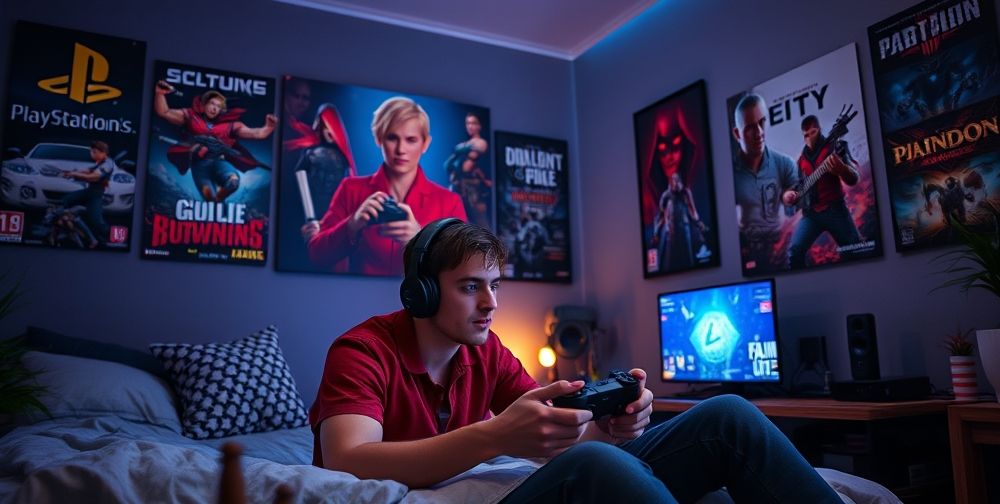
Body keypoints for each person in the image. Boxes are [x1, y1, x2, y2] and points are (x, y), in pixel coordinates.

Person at [310, 218, 843, 503]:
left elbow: (555, 443)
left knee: (728, 414)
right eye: (471, 287)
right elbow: (348, 459)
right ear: (421, 294)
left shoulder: (486, 352)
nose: (491, 305)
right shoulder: (362, 351)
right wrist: (496, 437)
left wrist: (614, 426)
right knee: (595, 465)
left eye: (495, 286)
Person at [302, 96, 467, 276]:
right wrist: (352, 225)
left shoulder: (450, 201)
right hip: (356, 298)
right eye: (392, 138)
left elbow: (463, 270)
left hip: (422, 304)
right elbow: (316, 254)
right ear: (379, 138)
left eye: (411, 140)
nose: (400, 149)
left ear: (425, 143)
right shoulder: (351, 189)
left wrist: (420, 241)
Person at [153, 81, 277, 202]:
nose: (214, 108)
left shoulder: (230, 125)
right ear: (204, 104)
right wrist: (160, 94)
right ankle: (216, 201)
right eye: (212, 103)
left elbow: (257, 134)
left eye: (218, 106)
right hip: (199, 165)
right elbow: (164, 112)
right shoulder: (192, 116)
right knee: (210, 200)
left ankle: (220, 197)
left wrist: (268, 127)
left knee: (233, 182)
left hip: (219, 161)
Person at [731, 93, 799, 273]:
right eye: (750, 127)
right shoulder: (729, 176)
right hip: (745, 262)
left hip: (782, 256)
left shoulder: (785, 164)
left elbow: (800, 210)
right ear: (737, 133)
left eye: (762, 122)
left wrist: (790, 200)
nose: (759, 133)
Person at [787, 115, 863, 268]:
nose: (809, 138)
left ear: (819, 130)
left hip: (836, 210)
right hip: (811, 215)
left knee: (856, 250)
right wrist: (791, 196)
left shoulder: (834, 147)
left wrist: (842, 169)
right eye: (806, 135)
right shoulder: (801, 160)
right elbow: (795, 188)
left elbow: (854, 178)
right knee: (794, 251)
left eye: (813, 132)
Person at [60, 140, 115, 245]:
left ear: (103, 152)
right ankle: (67, 229)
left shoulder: (108, 164)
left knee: (96, 221)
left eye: (94, 152)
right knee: (65, 200)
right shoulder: (100, 162)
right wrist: (73, 171)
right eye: (91, 151)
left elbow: (93, 177)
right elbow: (89, 170)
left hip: (96, 194)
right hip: (89, 191)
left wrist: (74, 175)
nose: (91, 154)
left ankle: (108, 238)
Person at [653, 171, 707, 271]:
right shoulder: (666, 195)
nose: (676, 183)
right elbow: (661, 213)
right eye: (674, 180)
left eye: (678, 180)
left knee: (688, 260)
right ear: (671, 182)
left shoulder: (686, 192)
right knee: (670, 264)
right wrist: (656, 232)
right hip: (671, 232)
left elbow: (693, 210)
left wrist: (699, 223)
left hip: (684, 230)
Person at [445, 112, 491, 228]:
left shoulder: (481, 142)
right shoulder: (464, 144)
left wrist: (460, 150)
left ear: (479, 126)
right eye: (468, 123)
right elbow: (448, 166)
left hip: (474, 192)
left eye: (473, 123)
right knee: (457, 226)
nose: (470, 126)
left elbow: (476, 152)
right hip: (459, 189)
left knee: (481, 227)